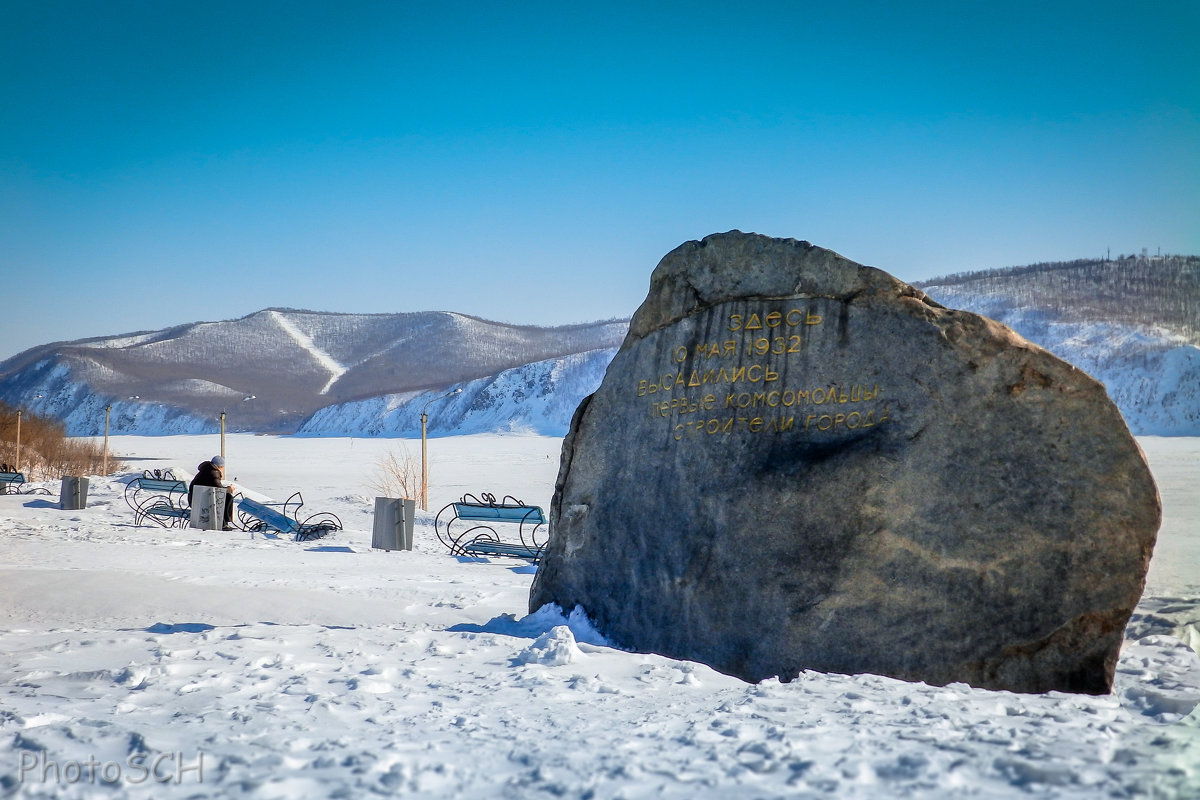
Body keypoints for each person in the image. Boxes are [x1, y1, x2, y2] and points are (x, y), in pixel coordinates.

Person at [189, 455, 237, 530]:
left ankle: (224, 523)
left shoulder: (205, 470)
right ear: (220, 466)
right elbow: (220, 490)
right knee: (228, 497)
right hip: (203, 504)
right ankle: (224, 523)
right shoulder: (214, 472)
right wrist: (229, 489)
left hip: (195, 501)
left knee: (225, 497)